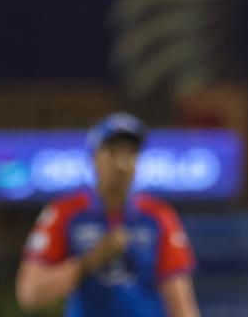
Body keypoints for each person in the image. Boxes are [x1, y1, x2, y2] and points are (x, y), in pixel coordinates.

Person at [16, 112, 201, 317]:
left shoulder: (158, 216)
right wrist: (89, 261)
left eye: (130, 153)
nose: (122, 164)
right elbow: (30, 294)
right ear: (94, 158)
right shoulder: (65, 213)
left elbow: (182, 305)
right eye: (113, 152)